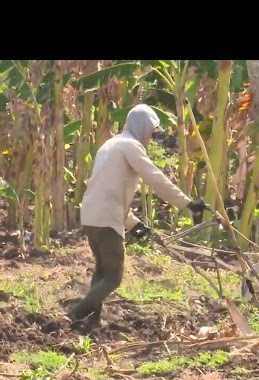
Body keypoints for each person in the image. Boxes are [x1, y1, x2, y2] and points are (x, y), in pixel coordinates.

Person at [68, 103, 205, 333]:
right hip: (107, 220)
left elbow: (110, 191)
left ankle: (91, 321)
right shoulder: (131, 146)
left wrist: (134, 225)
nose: (150, 138)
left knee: (102, 271)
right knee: (113, 278)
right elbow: (155, 178)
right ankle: (77, 313)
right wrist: (187, 204)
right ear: (143, 128)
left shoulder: (109, 145)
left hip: (91, 216)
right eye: (151, 132)